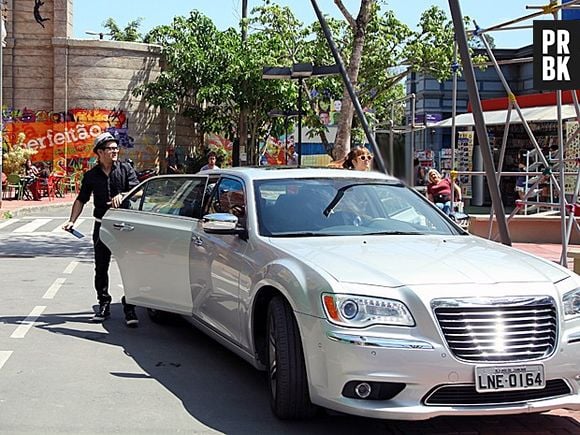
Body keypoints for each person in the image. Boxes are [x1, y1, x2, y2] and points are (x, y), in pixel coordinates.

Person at [62, 132, 140, 326]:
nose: (115, 151)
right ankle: (103, 303)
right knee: (101, 267)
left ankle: (129, 306)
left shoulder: (125, 168)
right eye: (110, 149)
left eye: (116, 148)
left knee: (129, 267)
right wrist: (72, 221)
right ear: (99, 152)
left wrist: (123, 195)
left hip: (124, 226)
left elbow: (139, 191)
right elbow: (81, 199)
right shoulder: (91, 175)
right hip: (102, 225)